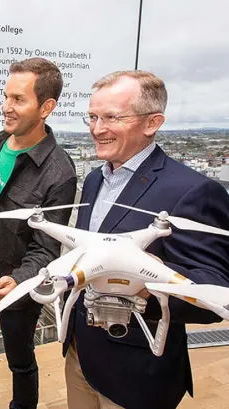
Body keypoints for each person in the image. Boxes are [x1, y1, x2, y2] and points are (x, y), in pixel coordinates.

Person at [64, 70, 229, 409]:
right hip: (81, 353)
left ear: (152, 123)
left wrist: (152, 280)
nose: (97, 129)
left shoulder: (193, 191)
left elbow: (216, 288)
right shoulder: (95, 179)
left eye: (111, 117)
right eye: (93, 117)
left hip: (135, 371)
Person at [0, 58, 77, 409]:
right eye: (6, 96)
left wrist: (18, 280)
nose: (5, 107)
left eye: (18, 100)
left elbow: (46, 248)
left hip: (16, 287)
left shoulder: (60, 173)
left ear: (46, 108)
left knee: (20, 362)